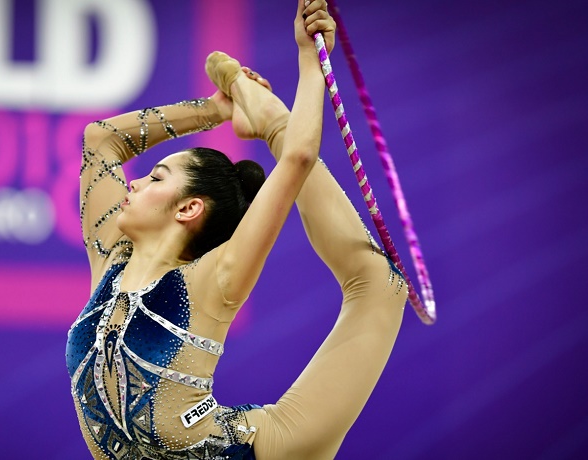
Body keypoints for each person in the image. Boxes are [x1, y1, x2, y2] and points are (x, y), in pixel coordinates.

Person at [65, 0, 407, 458]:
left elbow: (298, 159)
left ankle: (271, 122)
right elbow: (101, 139)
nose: (135, 180)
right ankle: (255, 114)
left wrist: (309, 61)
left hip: (262, 449)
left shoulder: (213, 279)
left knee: (381, 287)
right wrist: (214, 109)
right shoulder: (110, 259)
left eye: (156, 178)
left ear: (188, 209)